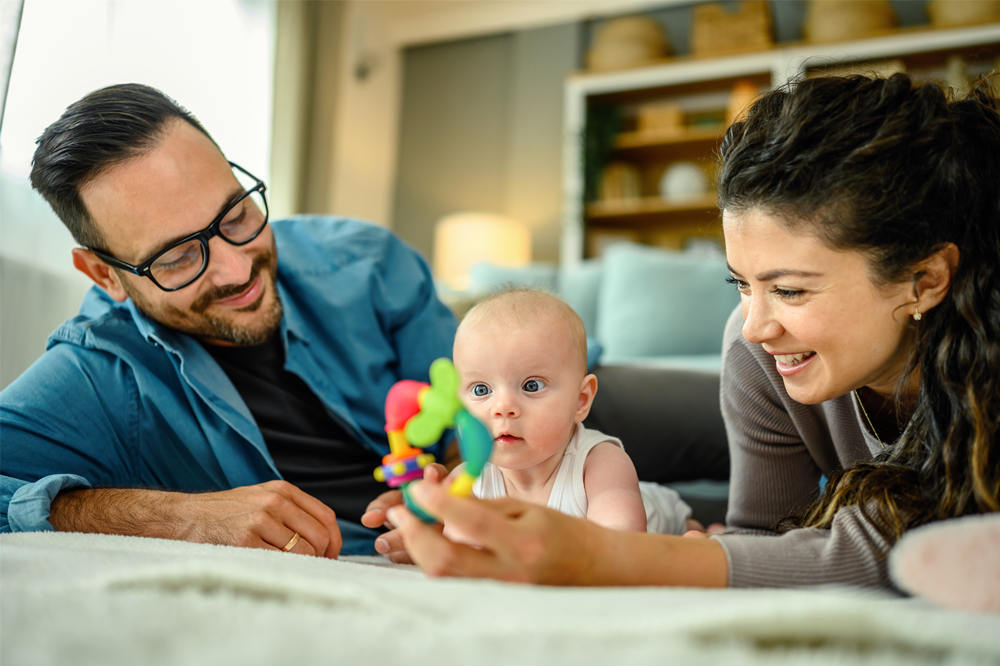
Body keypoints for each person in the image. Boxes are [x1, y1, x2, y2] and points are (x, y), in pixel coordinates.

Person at [366, 72, 1000, 587]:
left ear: (925, 279)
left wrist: (613, 558)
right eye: (741, 285)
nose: (753, 327)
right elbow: (764, 536)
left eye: (789, 289)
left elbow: (912, 541)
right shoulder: (754, 352)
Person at [0, 83, 457, 557]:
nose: (239, 270)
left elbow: (490, 404)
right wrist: (179, 518)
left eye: (235, 216)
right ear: (105, 275)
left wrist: (472, 482)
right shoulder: (97, 372)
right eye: (177, 256)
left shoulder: (369, 265)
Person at [447, 288, 697, 535]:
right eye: (481, 390)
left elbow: (620, 543)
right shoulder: (469, 481)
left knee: (691, 532)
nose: (502, 408)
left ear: (581, 400)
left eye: (531, 385)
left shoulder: (601, 464)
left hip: (655, 512)